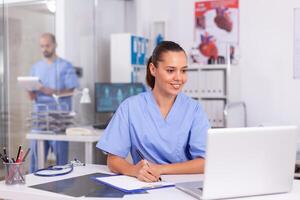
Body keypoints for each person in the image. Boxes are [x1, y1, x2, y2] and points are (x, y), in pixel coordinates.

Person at [96, 41, 210, 182]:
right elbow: (113, 160)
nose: (179, 78)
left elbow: (205, 162)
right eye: (170, 70)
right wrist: (135, 170)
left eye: (183, 70)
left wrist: (160, 169)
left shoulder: (194, 110)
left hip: (183, 186)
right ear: (153, 69)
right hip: (146, 184)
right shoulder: (130, 107)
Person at [28, 33, 79, 172]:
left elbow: (72, 89)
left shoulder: (65, 66)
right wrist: (30, 91)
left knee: (61, 162)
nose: (45, 49)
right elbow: (32, 96)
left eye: (47, 45)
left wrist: (51, 91)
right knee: (35, 159)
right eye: (42, 46)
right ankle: (32, 189)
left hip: (59, 119)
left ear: (55, 45)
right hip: (39, 119)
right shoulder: (36, 67)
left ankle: (61, 188)